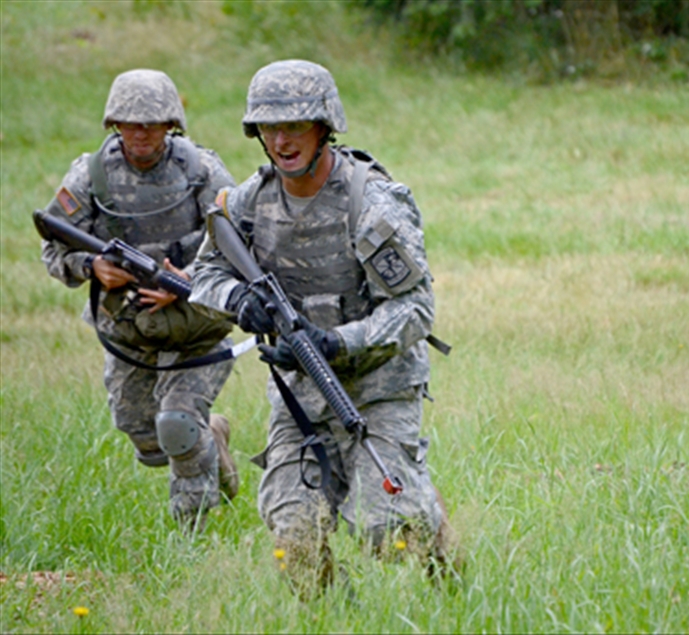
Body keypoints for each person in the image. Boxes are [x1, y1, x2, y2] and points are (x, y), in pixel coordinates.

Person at [190, 59, 453, 591]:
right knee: (295, 537)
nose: (282, 140)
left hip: (378, 387)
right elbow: (204, 273)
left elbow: (415, 310)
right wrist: (239, 300)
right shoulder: (249, 202)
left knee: (388, 529)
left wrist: (336, 340)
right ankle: (336, 617)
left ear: (324, 126)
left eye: (295, 126)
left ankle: (442, 554)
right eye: (270, 128)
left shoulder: (369, 201)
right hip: (301, 394)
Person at [39, 69, 239, 531]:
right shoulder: (90, 176)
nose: (140, 133)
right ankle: (213, 439)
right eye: (129, 123)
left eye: (151, 123)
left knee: (177, 425)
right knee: (148, 439)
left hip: (196, 326)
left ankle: (191, 546)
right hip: (127, 332)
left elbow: (242, 237)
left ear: (172, 124)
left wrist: (189, 276)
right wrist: (92, 268)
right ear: (114, 124)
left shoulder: (201, 171)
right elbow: (53, 246)